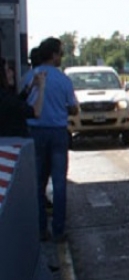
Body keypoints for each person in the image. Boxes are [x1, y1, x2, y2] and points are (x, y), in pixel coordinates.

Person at [26, 38, 79, 243]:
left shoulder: (30, 77)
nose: (61, 57)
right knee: (59, 183)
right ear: (54, 55)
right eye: (61, 53)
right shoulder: (64, 80)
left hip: (35, 133)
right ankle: (58, 230)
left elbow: (24, 101)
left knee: (38, 183)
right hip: (57, 133)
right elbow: (73, 108)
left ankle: (41, 229)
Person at [1, 57, 46, 137]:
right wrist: (41, 87)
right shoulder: (6, 98)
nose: (12, 73)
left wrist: (30, 86)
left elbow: (17, 102)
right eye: (7, 71)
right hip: (13, 141)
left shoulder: (6, 96)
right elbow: (36, 112)